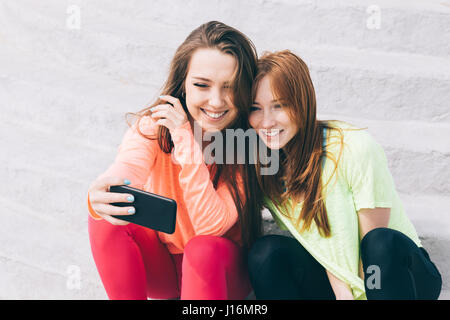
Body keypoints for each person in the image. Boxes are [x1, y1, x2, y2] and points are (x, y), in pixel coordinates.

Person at [86, 21, 263, 300]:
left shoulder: (248, 145)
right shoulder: (154, 127)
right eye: (202, 85)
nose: (216, 102)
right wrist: (103, 193)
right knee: (108, 215)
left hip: (223, 271)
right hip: (167, 267)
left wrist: (184, 138)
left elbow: (210, 227)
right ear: (184, 84)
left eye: (229, 87)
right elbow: (128, 168)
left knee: (202, 248)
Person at [246, 50, 442, 300]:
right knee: (266, 253)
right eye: (256, 108)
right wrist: (341, 292)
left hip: (398, 275)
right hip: (338, 274)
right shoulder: (267, 169)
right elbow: (322, 243)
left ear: (302, 103)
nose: (266, 121)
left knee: (379, 243)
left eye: (279, 105)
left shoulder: (355, 147)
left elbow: (369, 251)